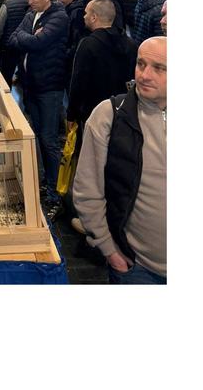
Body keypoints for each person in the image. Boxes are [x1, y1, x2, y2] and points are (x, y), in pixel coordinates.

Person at [73, 37, 167, 284]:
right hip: (138, 267)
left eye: (159, 68)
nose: (144, 75)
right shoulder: (109, 115)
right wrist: (109, 250)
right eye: (140, 64)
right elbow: (87, 190)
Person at [7, 0, 69, 220]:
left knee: (49, 139)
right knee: (36, 135)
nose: (29, 1)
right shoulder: (31, 14)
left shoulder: (59, 17)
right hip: (30, 85)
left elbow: (38, 43)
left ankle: (56, 193)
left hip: (49, 86)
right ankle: (44, 180)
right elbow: (13, 39)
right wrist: (29, 37)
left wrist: (29, 38)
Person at [67, 0, 137, 130]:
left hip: (93, 112)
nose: (84, 16)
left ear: (94, 17)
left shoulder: (88, 44)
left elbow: (79, 81)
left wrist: (72, 113)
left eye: (86, 13)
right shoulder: (130, 44)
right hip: (122, 110)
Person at [0, 0, 30, 86]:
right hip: (25, 44)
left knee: (6, 74)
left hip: (8, 45)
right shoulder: (29, 3)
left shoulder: (7, 4)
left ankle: (7, 92)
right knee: (24, 73)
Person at [57, 0, 85, 88]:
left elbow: (76, 39)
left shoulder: (77, 12)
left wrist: (66, 55)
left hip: (70, 61)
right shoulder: (65, 9)